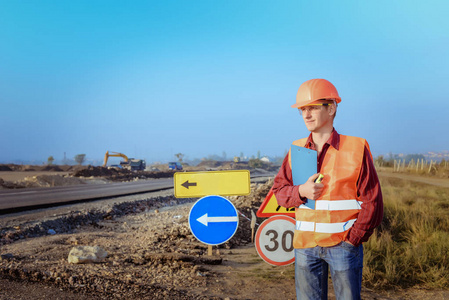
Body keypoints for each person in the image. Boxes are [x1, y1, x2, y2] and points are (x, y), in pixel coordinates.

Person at [272, 78, 383, 300]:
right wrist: (301, 192)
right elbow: (280, 191)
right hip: (305, 246)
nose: (306, 114)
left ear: (331, 108)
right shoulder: (296, 150)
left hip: (343, 245)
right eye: (303, 109)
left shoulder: (356, 148)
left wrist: (354, 238)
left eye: (312, 107)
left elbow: (373, 201)